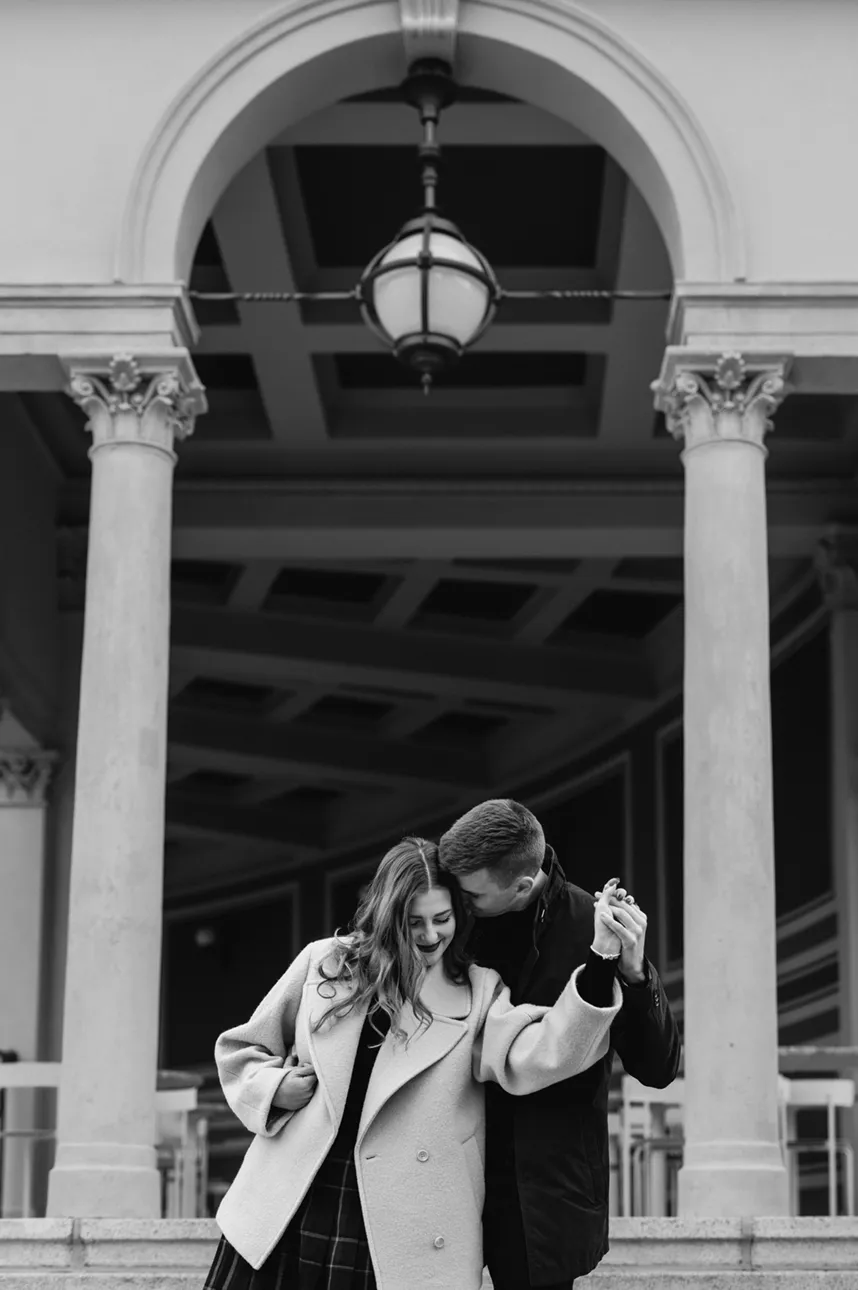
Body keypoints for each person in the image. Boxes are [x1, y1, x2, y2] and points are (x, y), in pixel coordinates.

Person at [204, 837, 628, 1290]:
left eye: (442, 919)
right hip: (290, 1202)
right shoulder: (325, 961)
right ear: (388, 916)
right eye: (414, 922)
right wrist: (276, 1089)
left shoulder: (478, 992)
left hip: (395, 1226)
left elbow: (539, 1051)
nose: (430, 936)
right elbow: (241, 1050)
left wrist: (601, 961)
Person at [439, 799, 681, 1290]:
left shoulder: (594, 926)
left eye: (473, 895)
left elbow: (658, 1069)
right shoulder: (448, 919)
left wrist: (635, 973)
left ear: (522, 886)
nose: (460, 904)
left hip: (546, 1191)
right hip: (449, 1171)